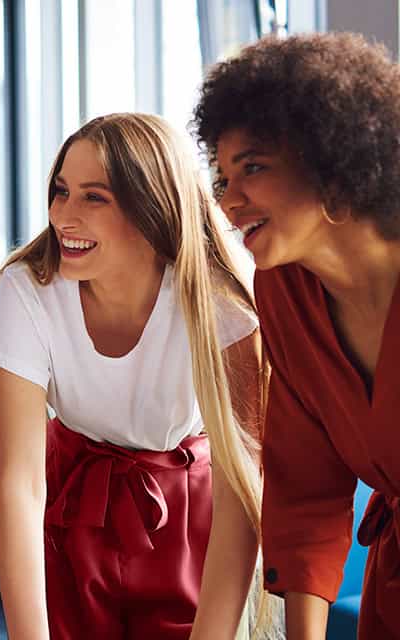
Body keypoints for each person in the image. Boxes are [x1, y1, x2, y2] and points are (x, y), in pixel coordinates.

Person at [0, 113, 270, 640]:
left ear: (152, 210)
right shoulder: (28, 291)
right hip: (71, 509)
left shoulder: (222, 309)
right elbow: (20, 485)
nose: (63, 214)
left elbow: (241, 494)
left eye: (93, 197)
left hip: (190, 521)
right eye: (60, 191)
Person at [194, 31, 400, 640]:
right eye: (223, 177)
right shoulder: (282, 292)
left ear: (332, 161)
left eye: (252, 168)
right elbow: (306, 489)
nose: (229, 201)